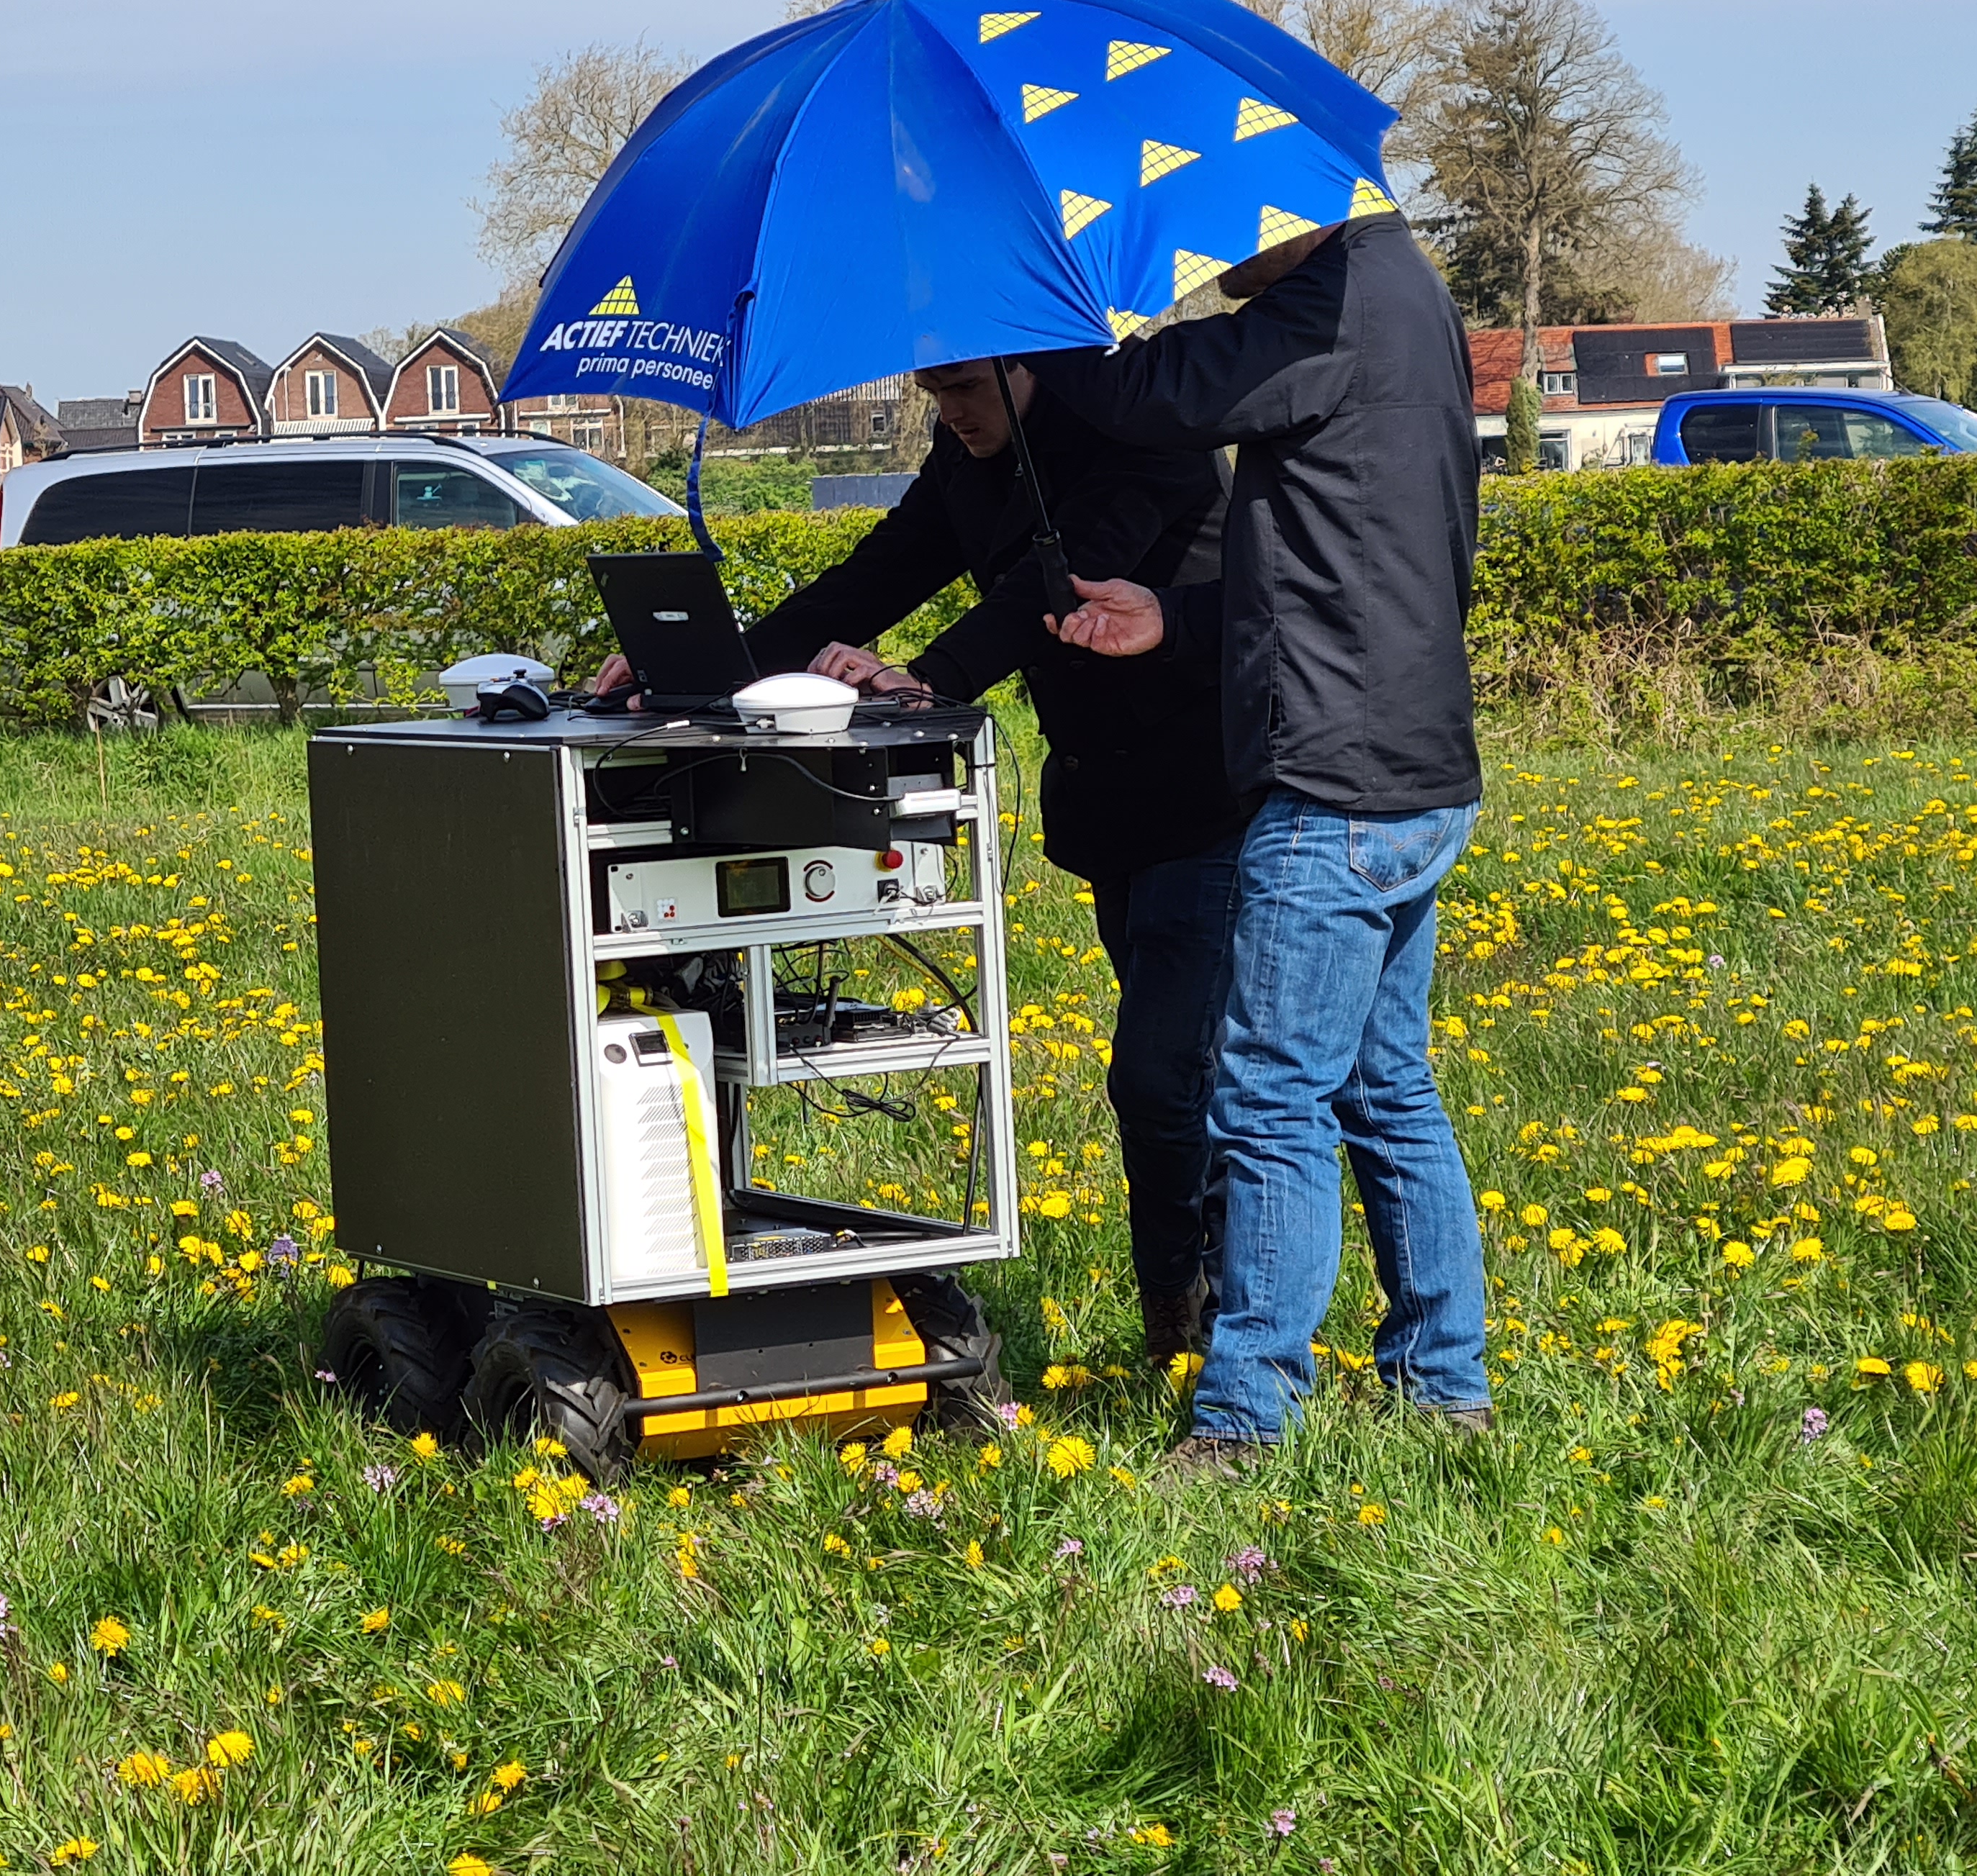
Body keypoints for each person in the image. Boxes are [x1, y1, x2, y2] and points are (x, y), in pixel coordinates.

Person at [597, 361, 1246, 1364]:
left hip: (1212, 794)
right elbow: (883, 571)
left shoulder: (1140, 433)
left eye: (964, 392)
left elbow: (1059, 578)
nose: (950, 416)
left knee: (1168, 1078)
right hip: (1113, 805)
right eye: (933, 396)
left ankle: (1202, 1319)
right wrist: (720, 668)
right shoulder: (968, 450)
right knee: (1181, 1076)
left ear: (1021, 363)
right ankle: (1196, 1308)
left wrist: (930, 676)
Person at [1037, 209, 1488, 1466]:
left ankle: (1246, 1418)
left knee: (1267, 1100)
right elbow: (1352, 556)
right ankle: (1446, 1388)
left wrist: (1041, 303)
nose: (1209, 269)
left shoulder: (1331, 304)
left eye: (1218, 238)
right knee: (1388, 1090)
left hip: (1331, 778)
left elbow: (1150, 390)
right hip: (1415, 761)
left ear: (1285, 210)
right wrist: (1172, 622)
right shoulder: (1406, 297)